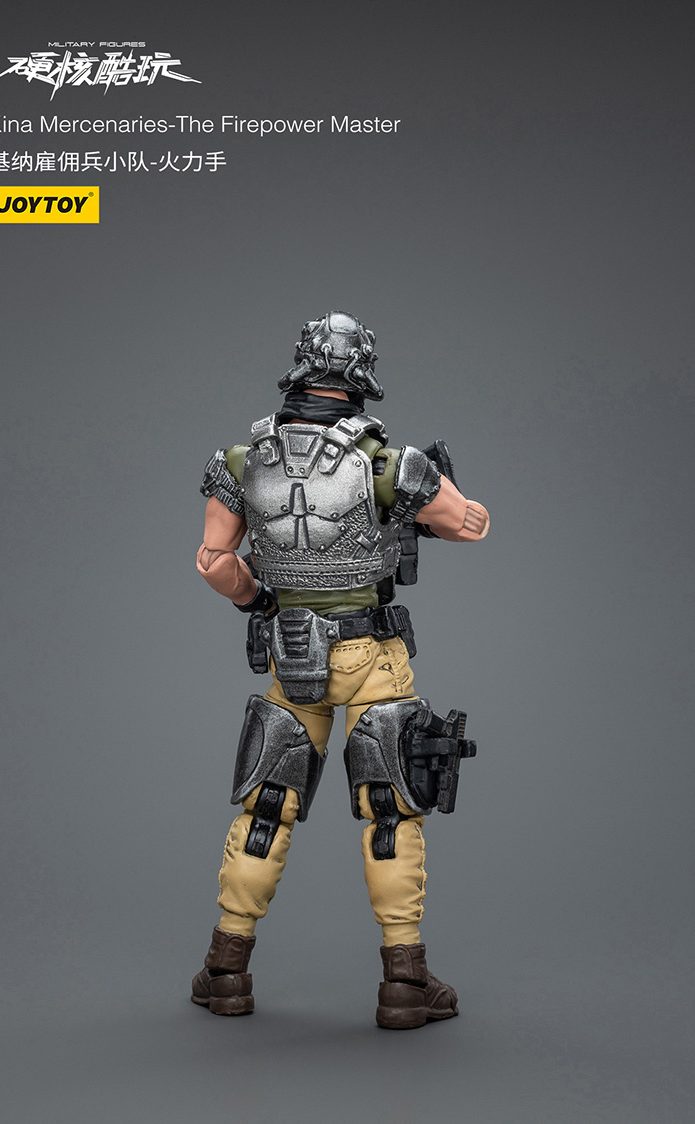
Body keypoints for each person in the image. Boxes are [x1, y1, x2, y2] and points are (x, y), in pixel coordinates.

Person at [190, 311, 489, 1029]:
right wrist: (429, 499)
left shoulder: (242, 461)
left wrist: (259, 600)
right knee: (391, 805)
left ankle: (226, 970)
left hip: (292, 651)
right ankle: (404, 981)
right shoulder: (386, 463)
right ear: (361, 375)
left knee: (268, 804)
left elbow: (214, 562)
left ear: (300, 367)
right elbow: (471, 524)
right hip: (372, 654)